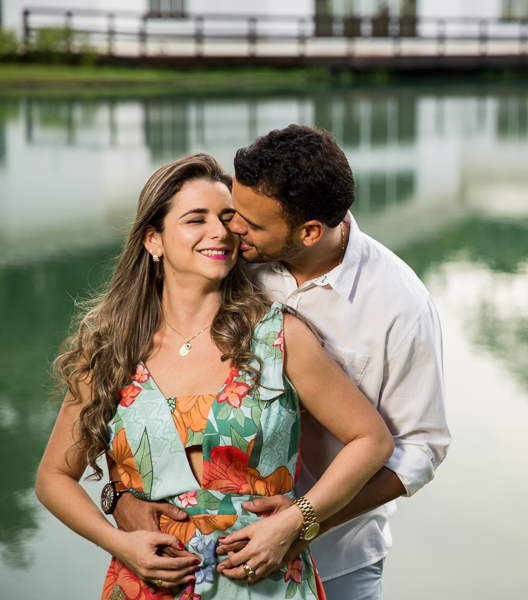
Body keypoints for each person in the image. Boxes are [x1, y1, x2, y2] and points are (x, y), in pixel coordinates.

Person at [113, 125, 451, 600]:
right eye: (234, 211)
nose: (231, 230)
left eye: (248, 223)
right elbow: (140, 388)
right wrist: (119, 495)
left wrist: (303, 522)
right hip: (196, 557)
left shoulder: (401, 305)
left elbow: (420, 448)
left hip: (339, 557)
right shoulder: (230, 259)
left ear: (309, 231)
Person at [35, 153, 394, 600]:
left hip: (264, 581)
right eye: (195, 219)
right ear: (153, 240)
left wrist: (298, 517)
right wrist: (119, 542)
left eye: (228, 218)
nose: (220, 231)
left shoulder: (280, 337)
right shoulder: (109, 348)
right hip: (149, 584)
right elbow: (53, 477)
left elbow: (372, 440)